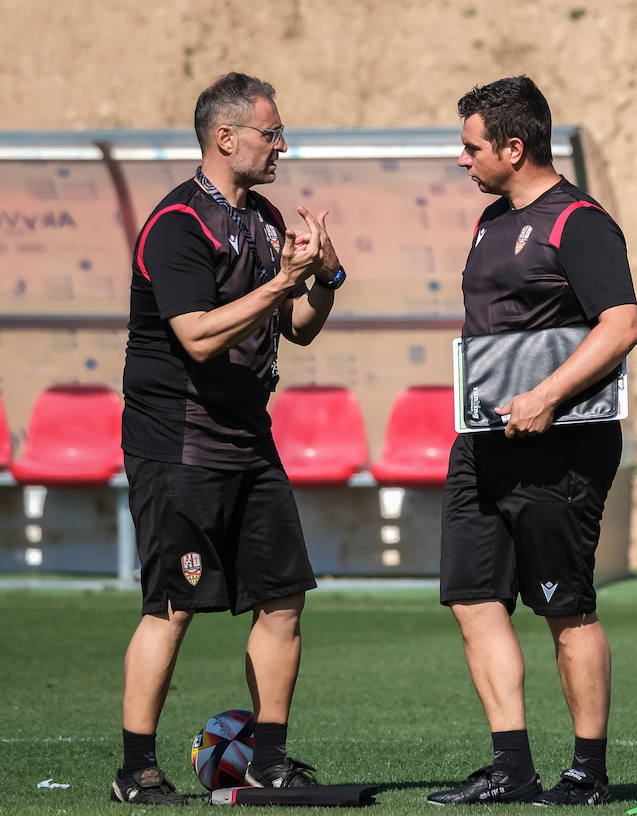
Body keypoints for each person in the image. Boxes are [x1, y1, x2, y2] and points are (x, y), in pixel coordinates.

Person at [114, 72, 348, 804]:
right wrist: (283, 283)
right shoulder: (178, 223)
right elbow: (198, 335)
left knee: (283, 599)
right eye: (270, 132)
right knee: (172, 606)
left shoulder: (265, 217)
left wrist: (326, 278)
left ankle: (267, 760)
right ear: (225, 138)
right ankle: (137, 769)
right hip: (178, 446)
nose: (281, 144)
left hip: (249, 442)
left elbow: (296, 332)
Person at [426, 75, 637, 807]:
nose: (463, 159)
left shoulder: (579, 222)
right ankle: (511, 767)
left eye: (471, 146)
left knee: (563, 605)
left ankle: (586, 771)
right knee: (473, 596)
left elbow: (622, 325)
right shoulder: (490, 221)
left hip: (562, 448)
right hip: (482, 444)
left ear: (514, 148)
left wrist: (548, 397)